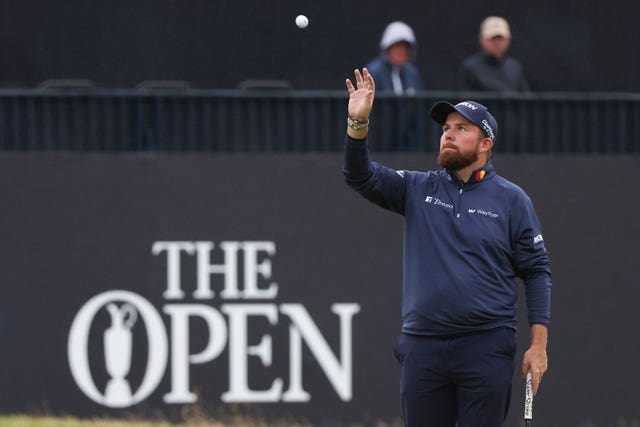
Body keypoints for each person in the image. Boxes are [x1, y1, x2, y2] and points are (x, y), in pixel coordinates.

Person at [342, 68, 551, 426]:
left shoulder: (512, 200)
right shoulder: (418, 188)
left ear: (486, 143)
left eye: (461, 128)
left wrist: (538, 345)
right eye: (445, 129)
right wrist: (357, 124)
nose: (448, 136)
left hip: (486, 346)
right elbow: (360, 176)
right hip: (423, 347)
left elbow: (536, 271)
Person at [460, 16, 529, 91]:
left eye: (500, 38)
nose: (497, 43)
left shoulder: (515, 67)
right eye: (492, 38)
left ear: (508, 40)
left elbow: (524, 98)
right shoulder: (470, 67)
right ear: (482, 39)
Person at [365, 21, 423, 95]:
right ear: (387, 48)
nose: (401, 52)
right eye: (397, 47)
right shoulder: (373, 72)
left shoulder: (412, 73)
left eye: (405, 48)